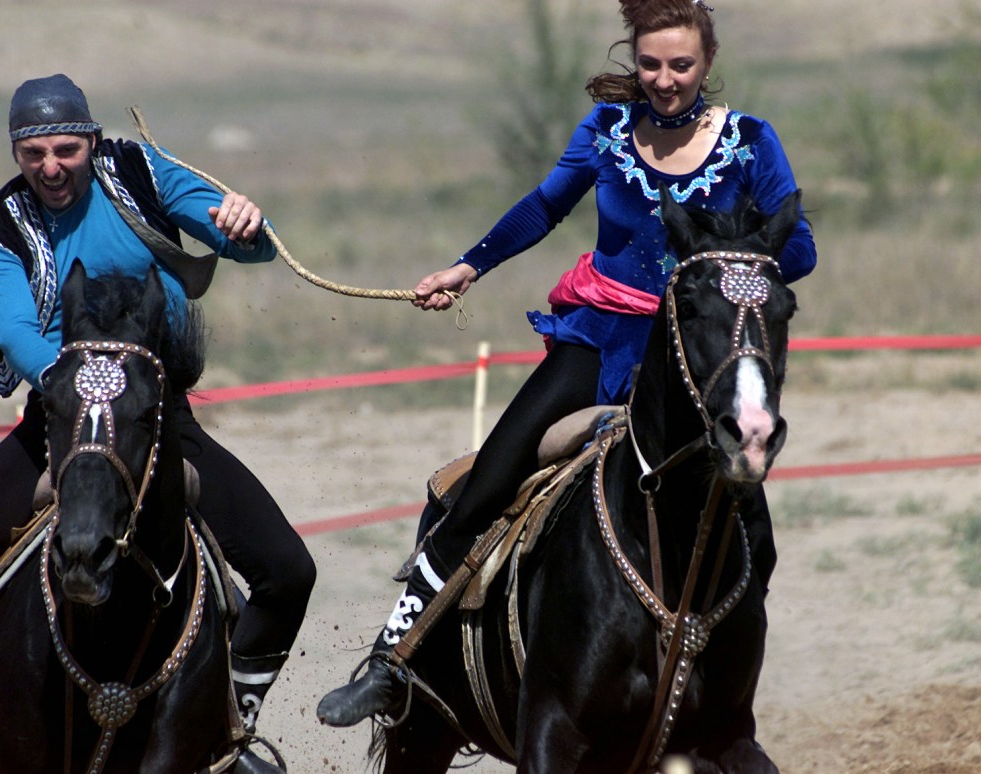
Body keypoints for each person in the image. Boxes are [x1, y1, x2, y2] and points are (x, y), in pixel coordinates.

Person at [317, 0, 816, 728]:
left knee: (751, 521)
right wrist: (468, 267)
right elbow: (544, 206)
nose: (665, 79)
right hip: (600, 338)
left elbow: (796, 249)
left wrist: (738, 255)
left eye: (681, 64)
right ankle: (393, 662)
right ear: (633, 60)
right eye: (650, 63)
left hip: (696, 358)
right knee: (480, 485)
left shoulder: (749, 141)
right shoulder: (609, 133)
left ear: (707, 62)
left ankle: (722, 673)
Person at [0, 74, 315, 771]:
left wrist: (246, 224)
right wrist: (90, 383)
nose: (51, 167)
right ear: (17, 154)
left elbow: (252, 246)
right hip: (58, 417)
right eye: (34, 155)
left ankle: (229, 718)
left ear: (90, 141)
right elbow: (21, 338)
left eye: (66, 149)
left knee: (287, 569)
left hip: (154, 417)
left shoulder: (141, 170)